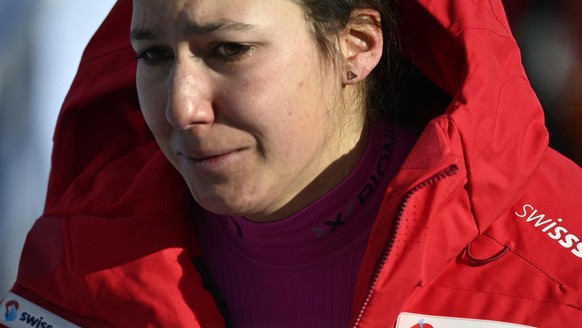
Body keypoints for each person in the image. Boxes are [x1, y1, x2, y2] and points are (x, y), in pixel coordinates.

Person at [1, 0, 581, 327]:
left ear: (357, 44)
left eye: (229, 50)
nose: (182, 106)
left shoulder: (553, 264)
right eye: (153, 55)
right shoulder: (78, 266)